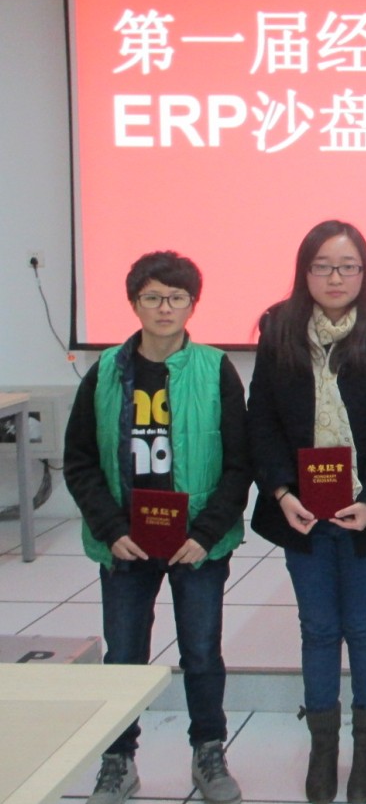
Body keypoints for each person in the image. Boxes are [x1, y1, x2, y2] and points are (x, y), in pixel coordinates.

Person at [64, 251, 249, 804]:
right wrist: (109, 526)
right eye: (152, 297)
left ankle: (208, 752)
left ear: (193, 304)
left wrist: (207, 533)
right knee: (123, 654)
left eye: (176, 297)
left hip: (196, 542)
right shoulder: (104, 372)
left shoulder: (216, 369)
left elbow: (239, 464)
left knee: (201, 651)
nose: (164, 308)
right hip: (125, 542)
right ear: (134, 303)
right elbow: (79, 461)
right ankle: (118, 759)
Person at [247, 220, 366, 804]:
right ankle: (323, 746)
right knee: (318, 627)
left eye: (348, 266)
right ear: (305, 271)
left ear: (365, 272)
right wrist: (281, 493)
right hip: (303, 509)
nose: (335, 277)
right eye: (322, 266)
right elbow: (262, 419)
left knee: (364, 623)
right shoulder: (278, 327)